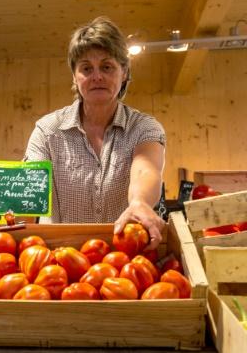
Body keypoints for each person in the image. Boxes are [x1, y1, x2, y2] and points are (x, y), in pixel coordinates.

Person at [24, 16, 166, 250]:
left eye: (107, 67)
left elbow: (146, 169)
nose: (97, 76)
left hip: (123, 261)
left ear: (124, 73)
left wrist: (140, 202)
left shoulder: (144, 128)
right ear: (75, 76)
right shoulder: (47, 131)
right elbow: (29, 191)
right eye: (86, 68)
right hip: (58, 263)